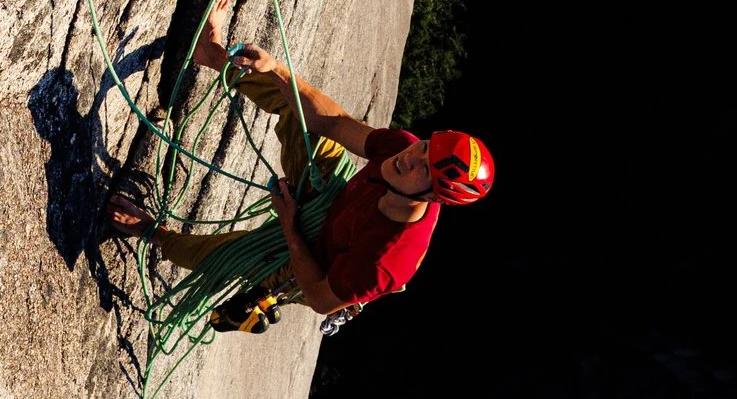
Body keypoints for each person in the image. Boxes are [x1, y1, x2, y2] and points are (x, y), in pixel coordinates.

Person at [107, 20, 493, 323]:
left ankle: (151, 232)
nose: (411, 158)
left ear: (432, 196)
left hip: (313, 260)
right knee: (298, 109)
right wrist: (276, 69)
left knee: (226, 256)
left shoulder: (386, 260)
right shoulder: (401, 149)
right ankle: (213, 56)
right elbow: (335, 122)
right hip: (332, 196)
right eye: (424, 147)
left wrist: (290, 224)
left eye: (424, 171)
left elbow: (321, 299)